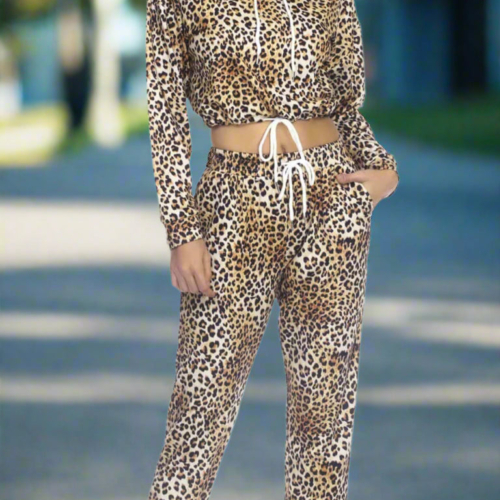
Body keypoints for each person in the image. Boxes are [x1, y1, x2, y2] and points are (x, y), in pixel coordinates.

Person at [145, 0, 399, 498]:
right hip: (231, 203)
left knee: (324, 419)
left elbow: (345, 103)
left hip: (330, 197)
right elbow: (166, 114)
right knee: (200, 408)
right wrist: (182, 228)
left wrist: (382, 168)